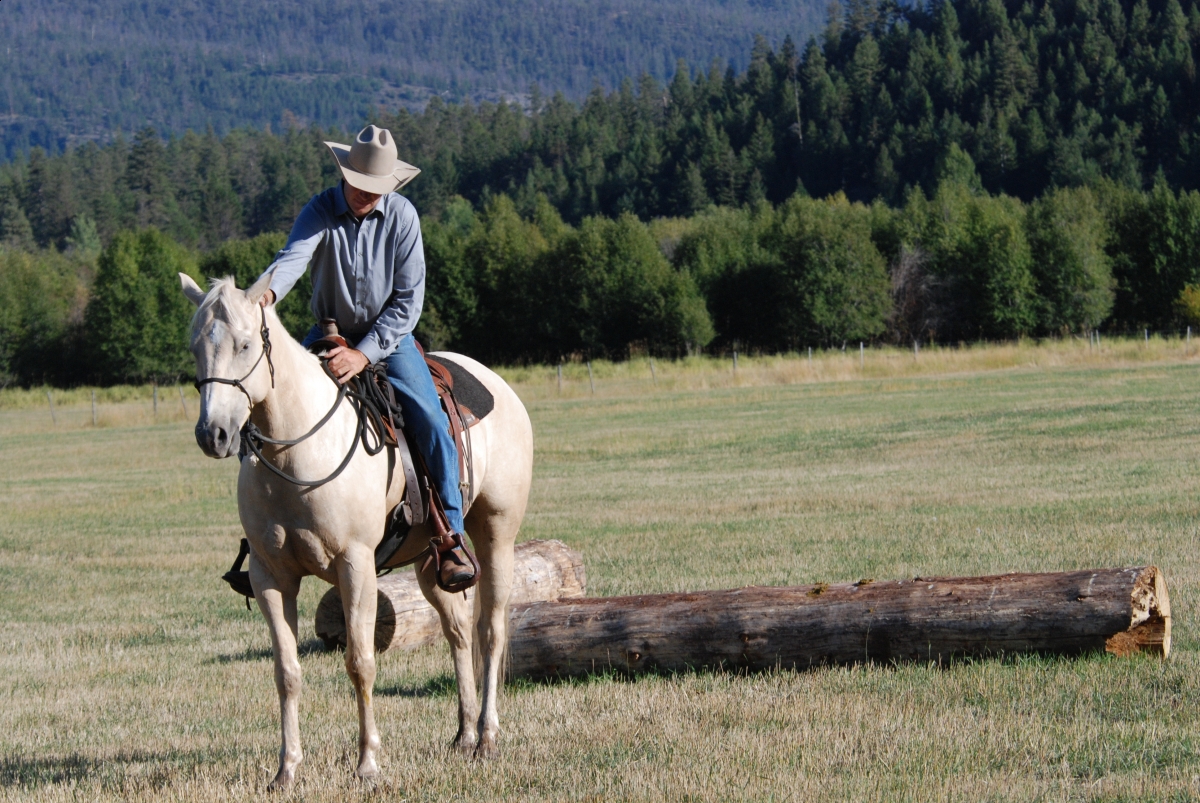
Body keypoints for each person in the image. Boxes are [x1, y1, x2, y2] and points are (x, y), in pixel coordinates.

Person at [257, 124, 474, 588]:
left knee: (430, 418)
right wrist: (262, 296)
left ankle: (450, 535)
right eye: (359, 184)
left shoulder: (403, 217)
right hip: (328, 332)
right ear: (345, 174)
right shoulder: (320, 210)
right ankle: (262, 530)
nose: (365, 194)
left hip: (390, 339)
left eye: (375, 188)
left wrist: (363, 354)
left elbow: (407, 303)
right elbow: (291, 259)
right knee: (265, 408)